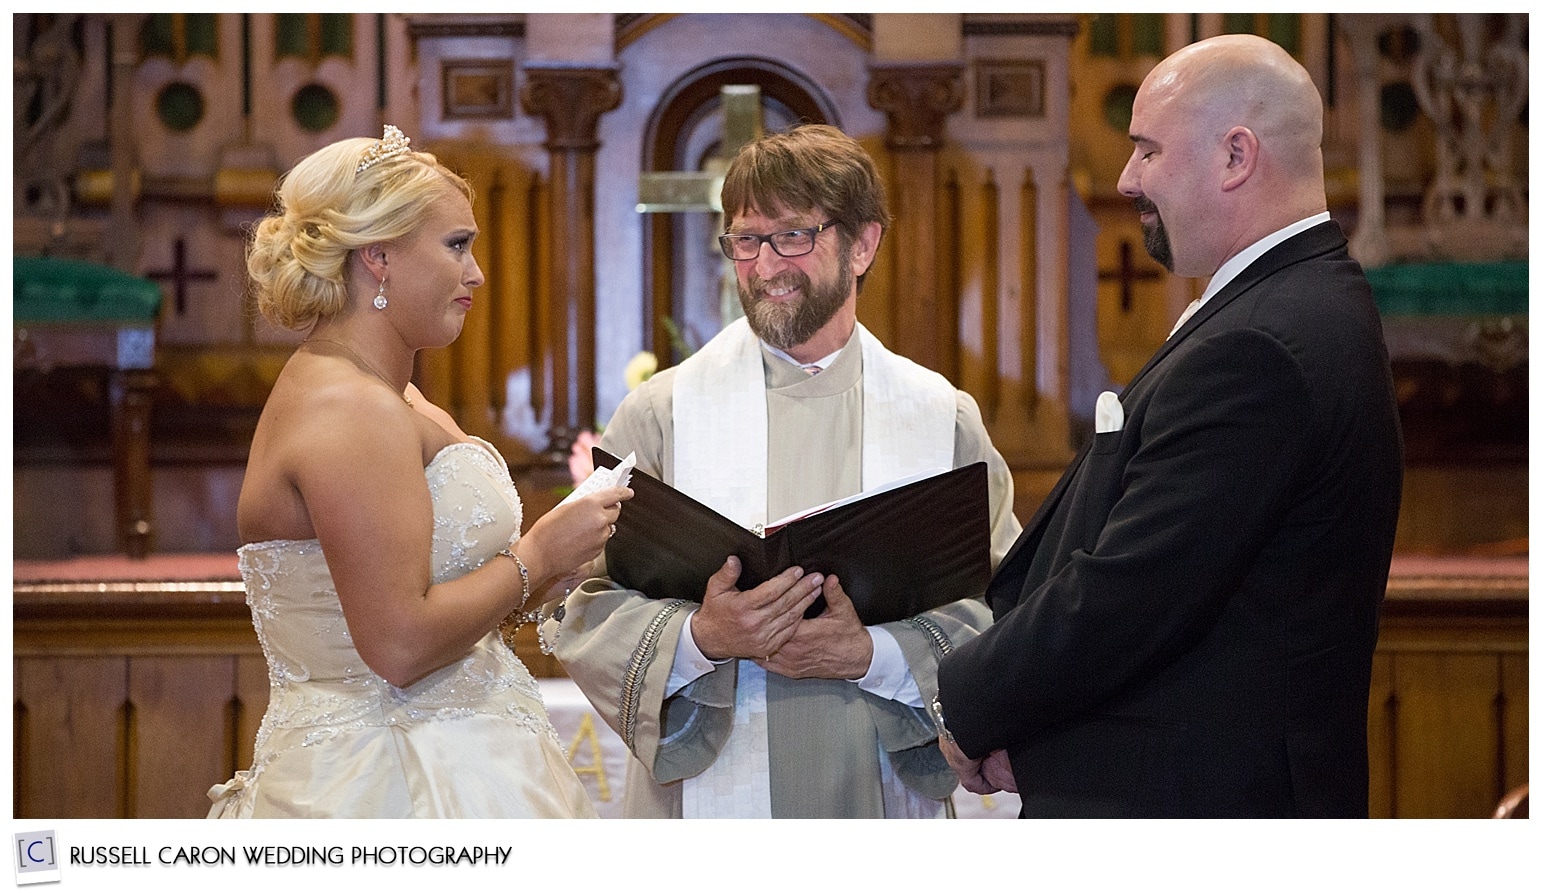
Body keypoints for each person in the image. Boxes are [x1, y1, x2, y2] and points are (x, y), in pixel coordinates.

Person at [933, 35, 1405, 818]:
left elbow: (1131, 592)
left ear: (1235, 156)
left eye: (1147, 150)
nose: (1126, 179)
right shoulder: (1294, 302)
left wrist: (969, 701)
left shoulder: (1261, 343)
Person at [549, 124, 1021, 818]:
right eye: (746, 239)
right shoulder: (660, 416)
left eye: (792, 236)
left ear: (863, 244)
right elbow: (584, 605)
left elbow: (1006, 606)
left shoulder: (940, 418)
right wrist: (704, 637)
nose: (765, 265)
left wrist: (873, 652)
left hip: (880, 792)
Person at [207, 125, 630, 818]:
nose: (477, 273)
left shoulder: (390, 390)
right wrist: (539, 550)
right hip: (392, 780)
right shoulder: (349, 406)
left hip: (460, 749)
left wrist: (555, 567)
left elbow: (447, 599)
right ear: (377, 257)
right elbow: (400, 645)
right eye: (456, 245)